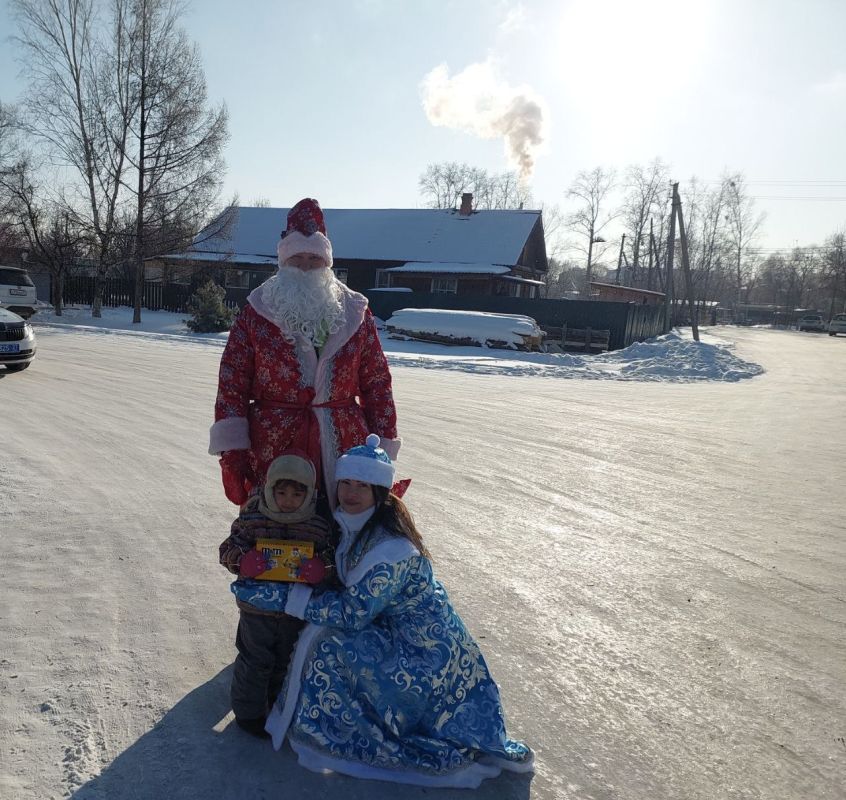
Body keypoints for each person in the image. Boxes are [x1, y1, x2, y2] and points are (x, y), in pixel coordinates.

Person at [231, 435, 534, 788]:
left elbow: (352, 613)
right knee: (317, 633)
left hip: (424, 653)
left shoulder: (391, 549)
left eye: (363, 485)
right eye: (346, 483)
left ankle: (348, 735)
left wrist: (283, 597)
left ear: (379, 491)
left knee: (326, 643)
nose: (351, 493)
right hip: (393, 630)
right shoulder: (350, 524)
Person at [209, 197, 400, 506]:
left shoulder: (355, 312)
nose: (306, 267)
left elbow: (377, 383)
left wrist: (383, 448)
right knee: (274, 532)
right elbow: (232, 384)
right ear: (284, 261)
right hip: (272, 446)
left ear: (327, 263)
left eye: (315, 259)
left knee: (340, 530)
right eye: (298, 259)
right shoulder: (256, 311)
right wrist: (233, 453)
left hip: (344, 448)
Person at [219, 453, 337, 738]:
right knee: (255, 660)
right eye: (281, 492)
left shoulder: (317, 524)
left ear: (309, 494)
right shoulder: (253, 516)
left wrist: (321, 569)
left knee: (286, 659)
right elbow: (227, 548)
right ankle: (248, 714)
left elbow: (332, 556)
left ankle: (277, 706)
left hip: (295, 608)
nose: (288, 500)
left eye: (297, 494)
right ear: (269, 488)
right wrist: (242, 560)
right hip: (256, 608)